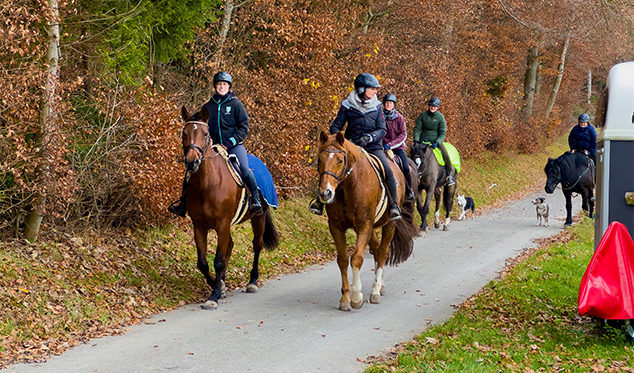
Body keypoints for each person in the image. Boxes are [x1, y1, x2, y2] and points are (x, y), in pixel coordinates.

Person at [168, 71, 263, 217]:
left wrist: (230, 142)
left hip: (234, 145)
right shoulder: (208, 106)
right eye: (219, 84)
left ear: (229, 87)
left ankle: (255, 200)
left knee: (244, 169)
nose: (222, 87)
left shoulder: (236, 105)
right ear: (215, 86)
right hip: (212, 146)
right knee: (190, 173)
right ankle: (182, 205)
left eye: (224, 84)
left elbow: (244, 127)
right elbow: (201, 127)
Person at [309, 73, 402, 220]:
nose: (376, 91)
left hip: (373, 147)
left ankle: (393, 206)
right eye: (372, 88)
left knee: (388, 170)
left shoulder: (377, 106)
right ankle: (319, 202)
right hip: (351, 146)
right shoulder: (347, 105)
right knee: (329, 167)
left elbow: (382, 129)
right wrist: (341, 141)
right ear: (361, 89)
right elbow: (335, 127)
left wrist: (370, 137)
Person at [413, 97, 455, 186]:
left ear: (437, 107)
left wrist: (438, 142)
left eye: (434, 106)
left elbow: (443, 132)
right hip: (422, 142)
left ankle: (449, 175)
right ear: (428, 106)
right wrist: (416, 140)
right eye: (431, 106)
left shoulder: (440, 117)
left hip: (435, 142)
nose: (432, 108)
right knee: (412, 154)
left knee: (446, 155)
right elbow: (417, 129)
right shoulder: (422, 115)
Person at [381, 93, 415, 201]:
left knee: (405, 167)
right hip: (382, 147)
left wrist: (391, 145)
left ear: (394, 105)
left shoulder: (399, 118)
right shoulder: (380, 116)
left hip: (397, 148)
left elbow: (403, 135)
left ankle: (409, 190)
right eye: (387, 103)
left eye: (390, 103)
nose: (389, 105)